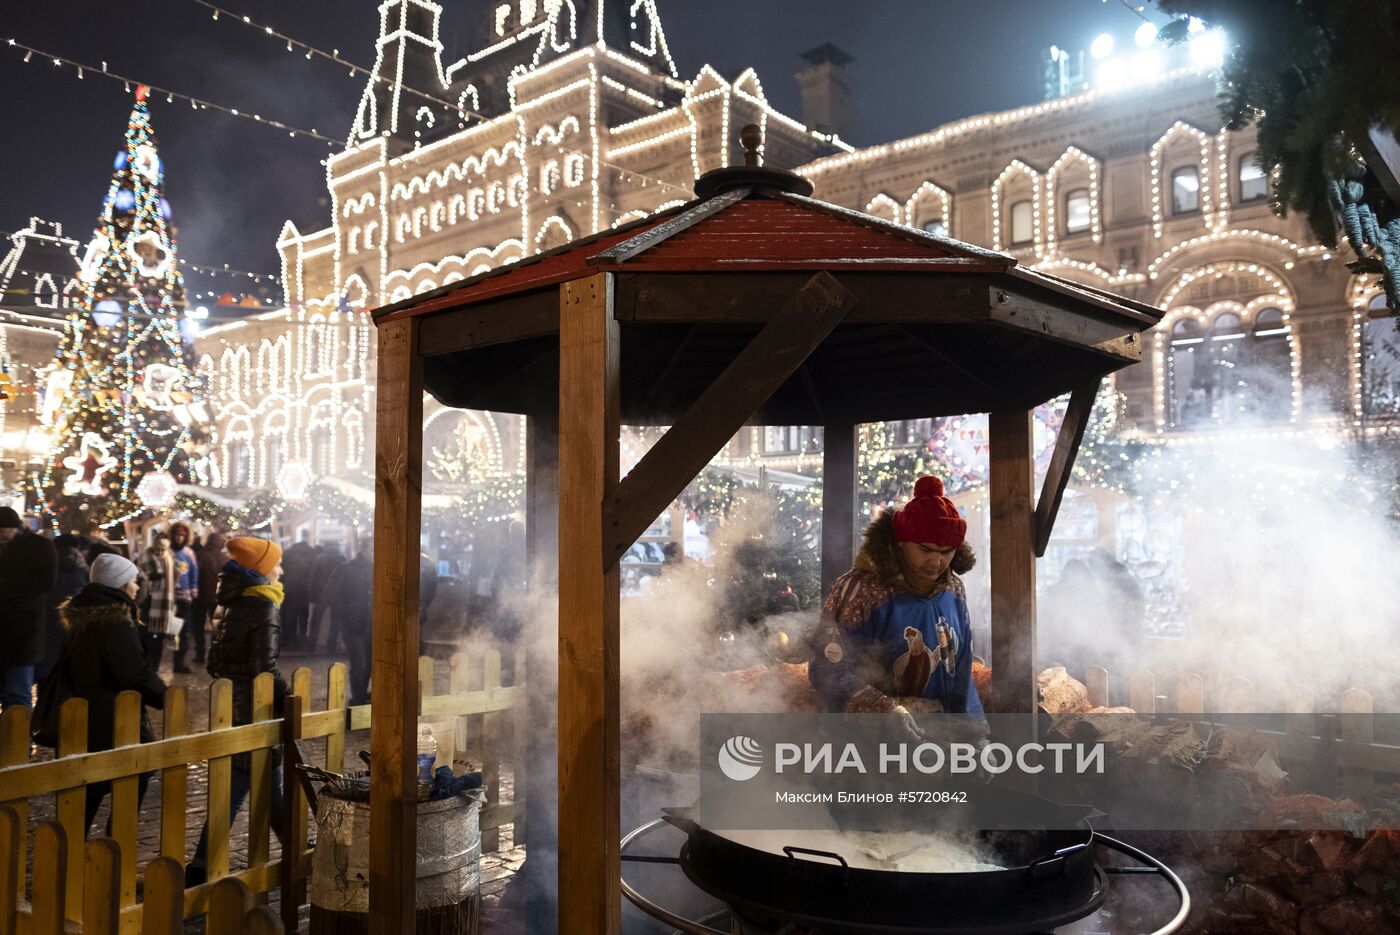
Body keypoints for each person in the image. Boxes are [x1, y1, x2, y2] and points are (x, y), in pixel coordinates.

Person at [808, 476, 984, 732]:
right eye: (925, 550)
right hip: (870, 743)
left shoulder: (954, 589)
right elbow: (827, 667)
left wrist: (974, 733)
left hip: (941, 735)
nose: (936, 562)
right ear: (901, 543)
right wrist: (883, 711)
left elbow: (962, 666)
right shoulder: (860, 589)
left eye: (946, 551)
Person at [188, 536, 288, 886]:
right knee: (242, 786)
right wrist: (290, 699)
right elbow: (266, 668)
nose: (281, 569)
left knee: (267, 786)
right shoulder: (263, 606)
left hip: (231, 706)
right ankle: (199, 868)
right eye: (275, 563)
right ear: (261, 569)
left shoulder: (227, 601)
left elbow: (215, 663)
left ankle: (295, 849)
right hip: (255, 711)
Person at [55, 553, 167, 832]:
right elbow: (132, 672)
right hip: (113, 713)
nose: (137, 587)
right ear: (119, 586)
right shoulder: (114, 621)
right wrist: (165, 697)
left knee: (92, 780)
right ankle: (115, 840)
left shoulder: (85, 614)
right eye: (132, 581)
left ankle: (75, 841)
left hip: (89, 710)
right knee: (135, 771)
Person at [0, 507, 58, 710]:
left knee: (17, 693)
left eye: (2, 530)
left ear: (14, 527)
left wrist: (5, 586)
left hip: (23, 630)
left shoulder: (39, 546)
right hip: (8, 627)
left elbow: (46, 582)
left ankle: (17, 739)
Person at [325, 541, 373, 705]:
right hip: (353, 626)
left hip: (374, 625)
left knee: (371, 664)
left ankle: (365, 697)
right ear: (364, 550)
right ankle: (358, 700)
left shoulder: (380, 569)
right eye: (373, 550)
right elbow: (332, 594)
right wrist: (346, 614)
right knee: (360, 664)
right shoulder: (345, 569)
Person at [37, 535, 89, 682]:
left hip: (48, 622)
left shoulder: (46, 566)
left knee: (49, 666)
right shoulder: (82, 569)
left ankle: (46, 698)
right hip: (74, 622)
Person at [179, 530, 226, 672]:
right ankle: (216, 655)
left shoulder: (198, 556)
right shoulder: (225, 559)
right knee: (217, 626)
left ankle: (200, 653)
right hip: (217, 599)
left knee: (197, 626)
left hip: (199, 598)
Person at [137, 532, 179, 673]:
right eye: (158, 549)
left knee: (159, 638)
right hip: (149, 602)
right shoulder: (146, 555)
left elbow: (176, 571)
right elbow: (148, 575)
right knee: (148, 637)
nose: (160, 552)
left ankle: (154, 669)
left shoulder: (169, 555)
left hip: (166, 603)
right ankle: (146, 668)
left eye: (163, 549)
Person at [167, 523, 199, 673]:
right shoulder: (166, 550)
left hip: (184, 597)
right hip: (168, 597)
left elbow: (194, 571)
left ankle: (179, 663)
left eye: (183, 535)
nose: (180, 537)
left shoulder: (188, 553)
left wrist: (193, 589)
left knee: (183, 632)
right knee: (169, 631)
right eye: (177, 534)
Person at [305, 542, 346, 653]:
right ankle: (331, 646)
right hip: (337, 595)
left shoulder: (319, 558)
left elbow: (313, 578)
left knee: (316, 621)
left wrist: (311, 595)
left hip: (321, 594)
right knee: (335, 621)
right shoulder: (342, 559)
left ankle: (311, 645)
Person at [279, 538, 316, 650]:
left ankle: (291, 641)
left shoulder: (287, 553)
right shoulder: (312, 554)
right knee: (304, 616)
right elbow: (314, 573)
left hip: (289, 588)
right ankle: (302, 641)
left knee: (290, 616)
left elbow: (281, 572)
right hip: (305, 589)